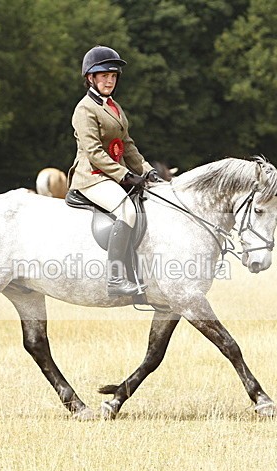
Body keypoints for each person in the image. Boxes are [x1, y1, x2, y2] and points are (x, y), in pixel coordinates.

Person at [67, 45, 159, 296]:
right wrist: (124, 175)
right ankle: (115, 279)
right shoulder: (84, 109)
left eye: (113, 76)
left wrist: (147, 170)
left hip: (110, 175)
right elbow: (94, 151)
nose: (110, 80)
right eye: (104, 75)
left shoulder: (114, 106)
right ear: (90, 78)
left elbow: (127, 145)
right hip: (92, 177)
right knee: (127, 211)